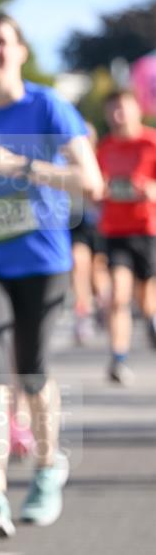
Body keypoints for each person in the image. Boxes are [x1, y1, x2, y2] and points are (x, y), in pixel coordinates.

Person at [0, 10, 103, 539]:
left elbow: (91, 182)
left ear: (21, 50)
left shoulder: (48, 106)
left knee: (30, 371)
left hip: (41, 258)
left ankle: (48, 464)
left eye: (0, 42)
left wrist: (20, 166)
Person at [96, 89, 156, 383]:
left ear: (137, 110)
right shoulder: (103, 148)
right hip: (115, 230)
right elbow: (94, 188)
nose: (118, 115)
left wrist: (150, 190)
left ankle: (151, 319)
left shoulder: (151, 142)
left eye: (123, 108)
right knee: (118, 294)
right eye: (112, 109)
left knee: (146, 297)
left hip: (148, 229)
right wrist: (101, 191)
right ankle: (118, 358)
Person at [70, 122, 110, 345]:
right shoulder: (66, 162)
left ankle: (104, 305)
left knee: (98, 271)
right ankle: (82, 313)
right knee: (78, 263)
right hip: (76, 223)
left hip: (101, 224)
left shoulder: (103, 158)